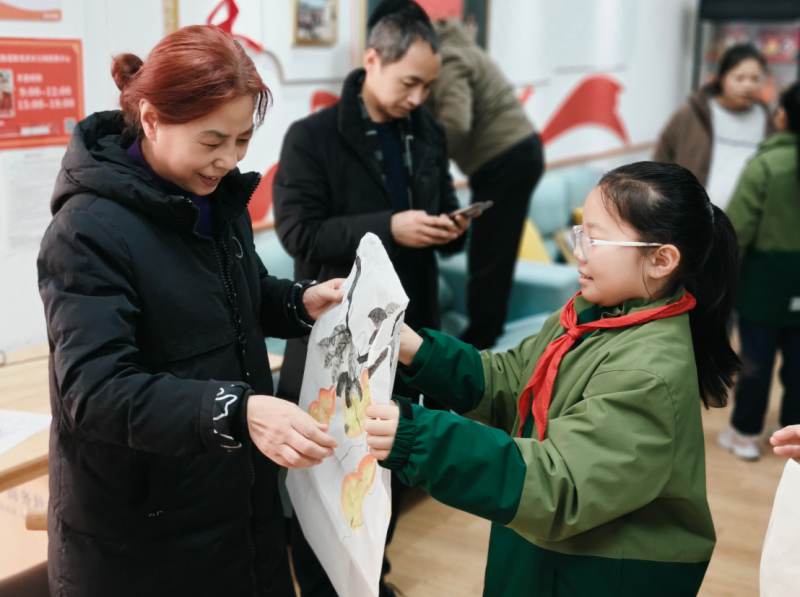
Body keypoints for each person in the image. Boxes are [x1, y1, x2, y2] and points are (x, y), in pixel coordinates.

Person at [37, 25, 343, 597]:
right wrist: (238, 411)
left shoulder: (216, 201)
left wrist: (298, 302)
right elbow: (95, 392)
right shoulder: (87, 231)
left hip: (235, 508)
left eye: (243, 140)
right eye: (211, 141)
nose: (228, 159)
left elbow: (238, 296)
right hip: (144, 537)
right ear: (151, 119)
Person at [365, 161, 743, 597]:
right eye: (580, 233)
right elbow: (510, 382)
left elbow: (559, 486)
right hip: (544, 550)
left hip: (595, 571)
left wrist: (420, 438)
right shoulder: (588, 315)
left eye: (595, 239)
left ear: (661, 260)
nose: (579, 251)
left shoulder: (647, 373)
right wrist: (417, 349)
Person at [272, 1, 473, 594]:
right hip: (336, 338)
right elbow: (298, 234)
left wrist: (449, 226)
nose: (418, 97)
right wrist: (391, 226)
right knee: (325, 477)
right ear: (372, 60)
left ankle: (371, 580)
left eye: (427, 86)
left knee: (389, 471)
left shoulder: (426, 131)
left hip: (406, 333)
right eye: (409, 82)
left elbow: (439, 206)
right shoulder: (313, 137)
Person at [426, 15, 543, 349]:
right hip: (517, 153)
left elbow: (456, 122)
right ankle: (486, 332)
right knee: (494, 253)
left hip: (504, 158)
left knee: (488, 255)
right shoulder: (461, 46)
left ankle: (480, 341)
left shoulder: (448, 58)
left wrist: (421, 161)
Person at [717, 82, 800, 461]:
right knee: (798, 367)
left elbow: (738, 230)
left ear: (781, 116)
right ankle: (792, 437)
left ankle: (747, 435)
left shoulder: (765, 165)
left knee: (756, 362)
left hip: (765, 282)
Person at [654, 43, 773, 209]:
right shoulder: (693, 113)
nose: (747, 85)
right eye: (739, 78)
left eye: (755, 78)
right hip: (695, 213)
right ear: (722, 78)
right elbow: (661, 159)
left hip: (748, 216)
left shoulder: (768, 119)